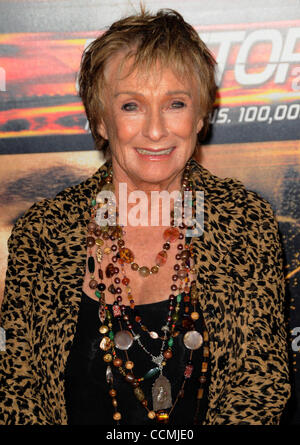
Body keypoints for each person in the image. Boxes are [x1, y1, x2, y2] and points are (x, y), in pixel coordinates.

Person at [0, 9, 291, 425]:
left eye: (175, 103)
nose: (155, 130)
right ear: (101, 120)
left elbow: (260, 384)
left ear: (201, 115)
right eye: (132, 105)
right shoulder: (42, 234)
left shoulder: (247, 224)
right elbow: (16, 387)